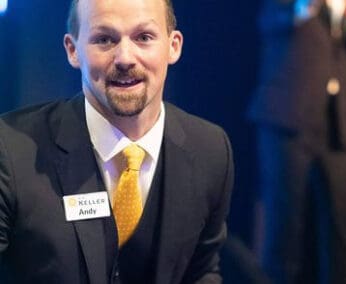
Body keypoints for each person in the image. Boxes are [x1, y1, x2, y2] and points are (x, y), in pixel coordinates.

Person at [0, 0, 234, 283]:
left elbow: (202, 271)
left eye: (143, 37)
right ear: (73, 50)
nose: (125, 58)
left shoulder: (210, 149)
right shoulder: (10, 150)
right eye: (104, 39)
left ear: (174, 46)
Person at [248, 0, 346, 283]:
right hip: (288, 122)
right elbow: (267, 23)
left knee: (340, 232)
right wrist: (306, 6)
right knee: (284, 230)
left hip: (339, 127)